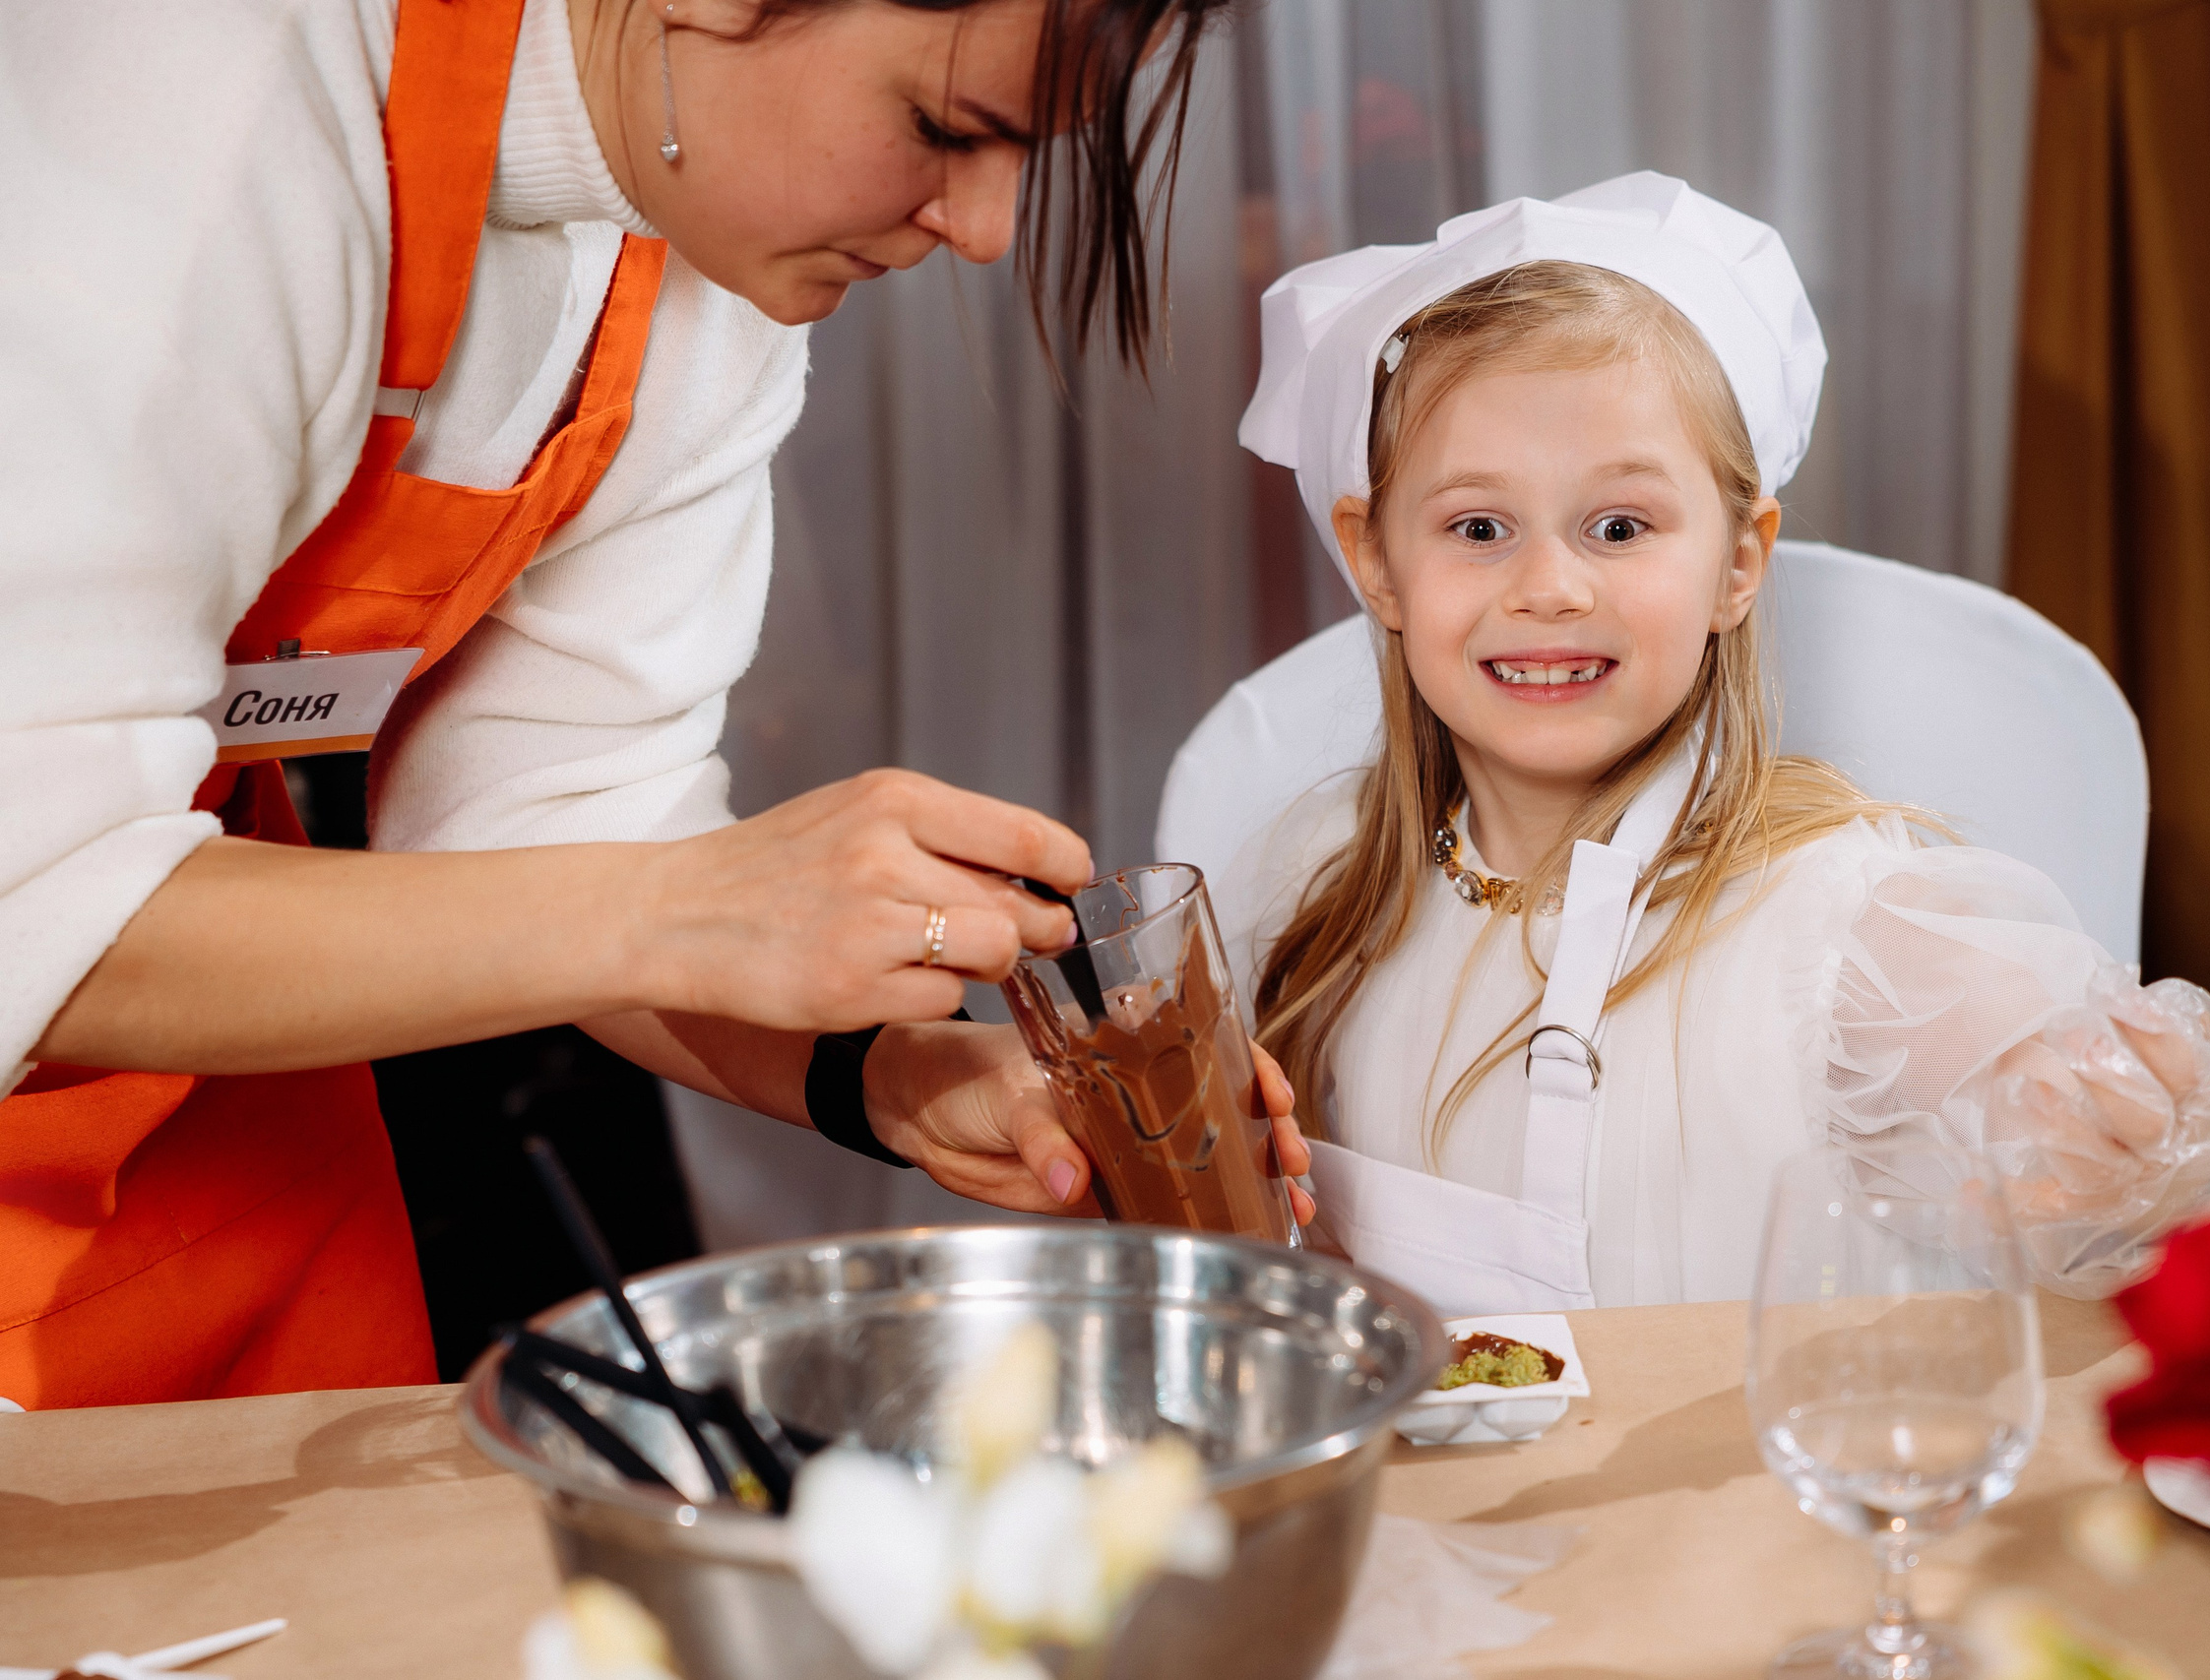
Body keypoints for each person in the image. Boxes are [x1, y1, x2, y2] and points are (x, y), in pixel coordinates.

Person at [0, 0, 1308, 1410]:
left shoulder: (688, 257)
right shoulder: (188, 98)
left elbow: (552, 821)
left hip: (221, 1152)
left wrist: (907, 1074)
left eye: (1027, 156)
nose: (986, 228)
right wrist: (685, 904)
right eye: (943, 128)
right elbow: (37, 888)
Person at [1222, 174, 2210, 1315]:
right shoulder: (1313, 888)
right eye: (1478, 528)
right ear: (1374, 559)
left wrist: (2142, 1159)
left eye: (1618, 526)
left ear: (1737, 563)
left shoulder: (1845, 935)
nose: (1548, 587)